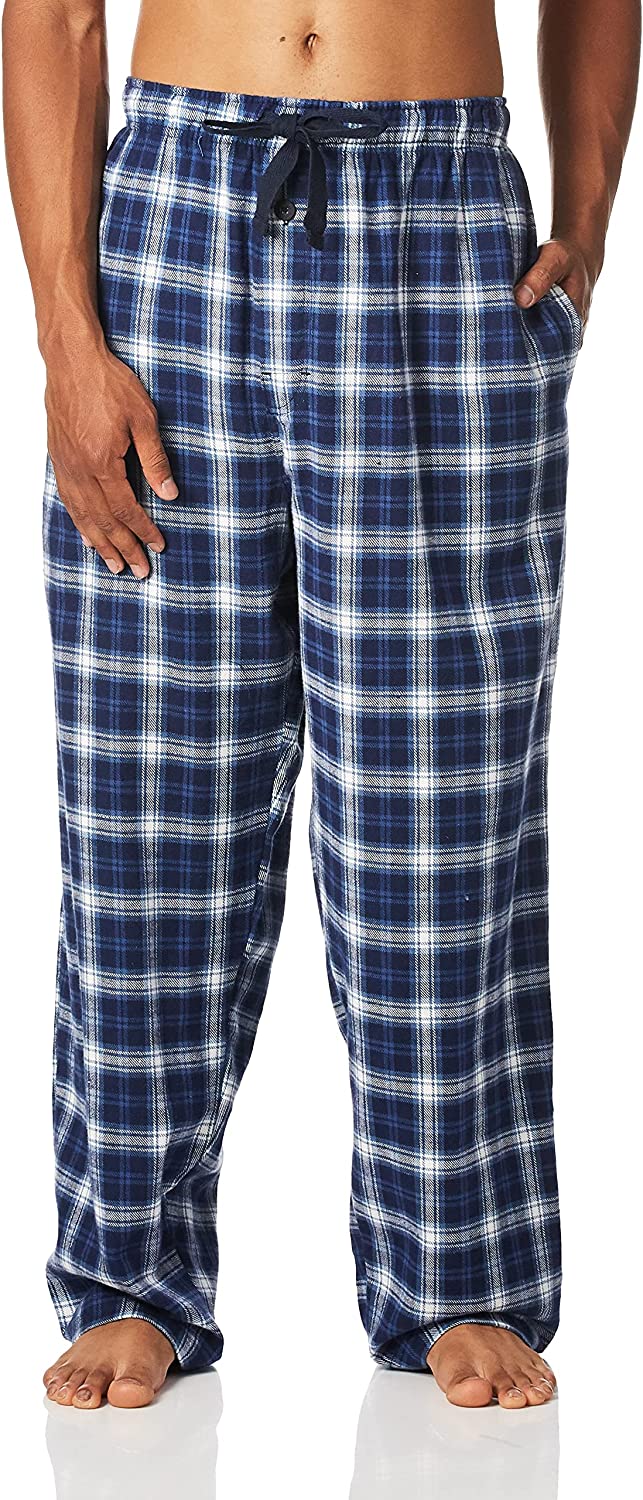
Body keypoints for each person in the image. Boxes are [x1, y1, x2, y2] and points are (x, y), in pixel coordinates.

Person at [3, 0, 639, 1413]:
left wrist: (588, 227)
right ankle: (128, 1276)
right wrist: (65, 333)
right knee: (150, 798)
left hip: (442, 218)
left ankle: (458, 1270)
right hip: (176, 220)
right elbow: (52, 12)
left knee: (442, 800)